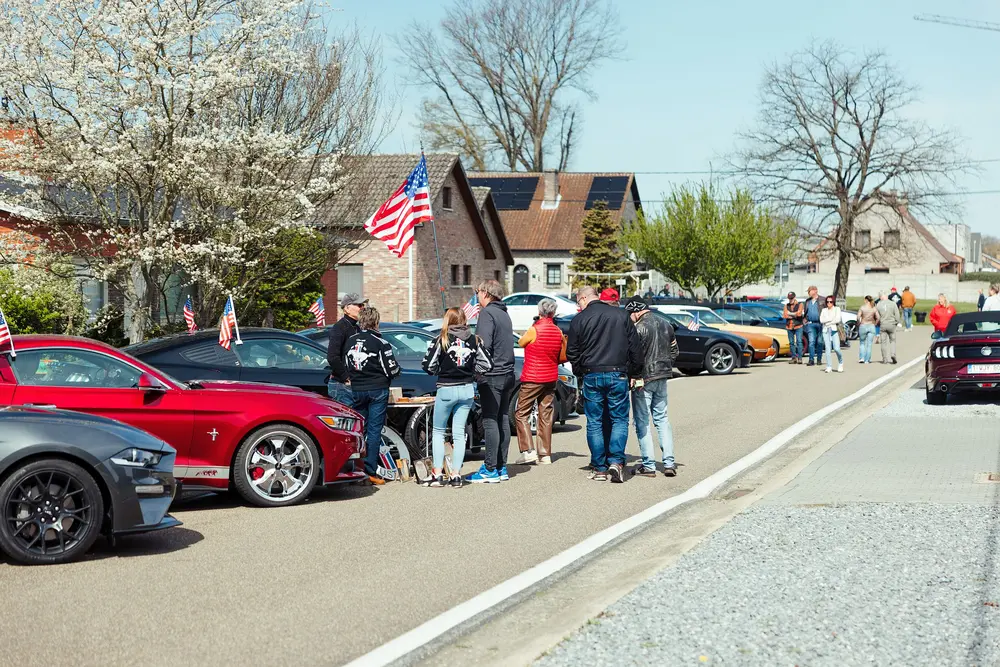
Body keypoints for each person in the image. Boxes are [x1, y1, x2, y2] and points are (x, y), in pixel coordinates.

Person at [567, 286, 642, 483]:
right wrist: (634, 371)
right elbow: (635, 347)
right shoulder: (621, 315)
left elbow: (572, 352)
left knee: (594, 422)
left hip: (592, 373)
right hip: (617, 372)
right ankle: (616, 461)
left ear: (584, 298)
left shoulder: (579, 320)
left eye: (579, 301)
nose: (579, 305)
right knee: (619, 419)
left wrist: (579, 372)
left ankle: (599, 467)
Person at [421, 308, 492, 488]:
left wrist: (440, 370)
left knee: (438, 431)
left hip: (446, 389)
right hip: (467, 389)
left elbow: (428, 365)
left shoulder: (441, 339)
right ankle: (456, 474)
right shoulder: (474, 340)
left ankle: (437, 473)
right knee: (459, 433)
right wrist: (474, 372)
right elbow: (488, 364)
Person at [344, 306, 400, 485]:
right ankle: (370, 470)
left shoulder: (350, 341)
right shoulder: (380, 342)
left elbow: (347, 365)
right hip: (377, 389)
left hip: (357, 389)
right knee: (375, 431)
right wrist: (397, 372)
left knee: (359, 430)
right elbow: (391, 369)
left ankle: (355, 468)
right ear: (376, 321)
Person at [467, 279, 516, 484]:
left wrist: (477, 371)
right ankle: (501, 466)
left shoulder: (487, 313)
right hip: (508, 372)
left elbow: (482, 345)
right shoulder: (504, 313)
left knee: (490, 420)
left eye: (478, 292)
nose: (476, 296)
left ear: (486, 293)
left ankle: (490, 468)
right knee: (502, 418)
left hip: (493, 373)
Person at [624, 295, 679, 477]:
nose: (629, 317)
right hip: (663, 375)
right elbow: (674, 351)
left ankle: (648, 465)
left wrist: (633, 375)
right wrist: (665, 364)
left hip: (644, 379)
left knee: (642, 422)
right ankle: (669, 462)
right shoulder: (666, 324)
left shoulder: (638, 328)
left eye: (630, 313)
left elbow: (634, 357)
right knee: (662, 419)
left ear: (636, 311)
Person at [515, 298, 566, 466]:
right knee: (545, 415)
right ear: (553, 312)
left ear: (539, 312)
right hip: (551, 377)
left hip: (533, 377)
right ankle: (545, 454)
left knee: (522, 413)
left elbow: (521, 342)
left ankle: (528, 451)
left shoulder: (534, 329)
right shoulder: (557, 331)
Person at [326, 293, 367, 406]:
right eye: (359, 305)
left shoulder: (356, 328)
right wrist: (346, 377)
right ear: (347, 308)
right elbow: (332, 357)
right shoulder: (339, 327)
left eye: (362, 305)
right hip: (342, 386)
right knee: (345, 422)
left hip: (355, 385)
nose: (362, 307)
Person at [875, 291, 900, 364]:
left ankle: (884, 358)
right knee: (892, 341)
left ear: (881, 297)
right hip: (892, 324)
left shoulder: (878, 305)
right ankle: (893, 354)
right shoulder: (893, 304)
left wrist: (879, 323)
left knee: (883, 342)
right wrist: (896, 322)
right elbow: (897, 315)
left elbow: (878, 317)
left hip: (883, 324)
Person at [820, 296, 844, 373]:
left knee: (836, 348)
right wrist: (830, 320)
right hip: (826, 330)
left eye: (831, 302)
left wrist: (828, 322)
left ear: (833, 302)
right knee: (827, 348)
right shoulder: (824, 310)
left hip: (834, 330)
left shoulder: (837, 309)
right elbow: (821, 320)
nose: (829, 303)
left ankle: (840, 362)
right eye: (827, 302)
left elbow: (838, 319)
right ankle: (829, 366)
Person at [782, 291, 805, 364]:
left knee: (799, 341)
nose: (790, 300)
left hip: (798, 325)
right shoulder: (786, 305)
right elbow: (785, 315)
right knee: (791, 343)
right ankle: (794, 357)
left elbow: (799, 314)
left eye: (791, 298)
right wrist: (794, 314)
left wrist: (790, 314)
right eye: (789, 298)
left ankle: (800, 358)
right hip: (789, 326)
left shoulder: (800, 304)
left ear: (794, 297)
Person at [803, 286, 823, 366]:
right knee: (811, 342)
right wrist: (805, 320)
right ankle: (811, 359)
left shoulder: (822, 300)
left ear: (815, 291)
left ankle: (819, 359)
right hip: (811, 324)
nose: (808, 293)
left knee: (820, 342)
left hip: (821, 323)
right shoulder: (808, 301)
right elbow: (806, 312)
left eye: (809, 291)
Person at [856, 295, 880, 364]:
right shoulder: (873, 308)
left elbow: (858, 317)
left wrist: (859, 323)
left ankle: (862, 358)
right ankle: (867, 360)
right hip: (871, 325)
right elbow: (878, 317)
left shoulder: (862, 308)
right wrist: (875, 323)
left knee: (862, 343)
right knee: (869, 344)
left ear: (866, 300)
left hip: (863, 325)